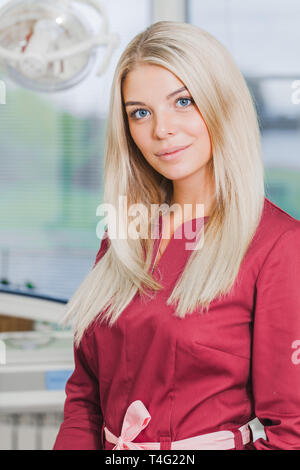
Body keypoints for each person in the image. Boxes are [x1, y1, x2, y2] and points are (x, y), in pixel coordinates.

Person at [53, 21, 300, 450]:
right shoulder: (123, 235)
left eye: (182, 102)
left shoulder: (278, 245)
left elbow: (293, 434)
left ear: (222, 103)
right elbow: (85, 399)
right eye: (140, 112)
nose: (161, 130)